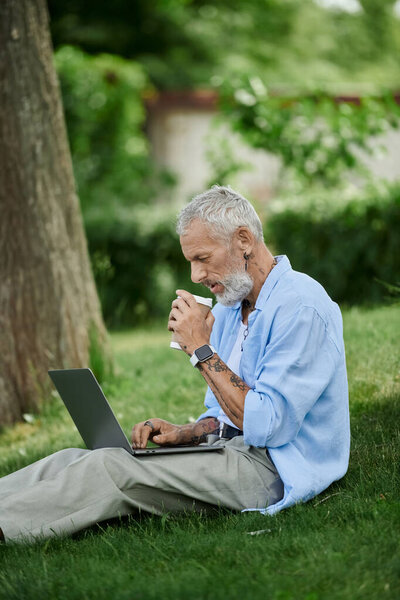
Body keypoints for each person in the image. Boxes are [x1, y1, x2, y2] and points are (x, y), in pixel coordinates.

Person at [0, 185, 350, 543]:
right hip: (233, 451)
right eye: (191, 263)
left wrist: (200, 348)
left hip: (274, 469)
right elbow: (224, 416)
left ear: (243, 239)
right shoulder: (233, 307)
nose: (196, 276)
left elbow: (268, 425)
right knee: (72, 458)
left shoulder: (301, 307)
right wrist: (187, 433)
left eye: (202, 258)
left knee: (110, 469)